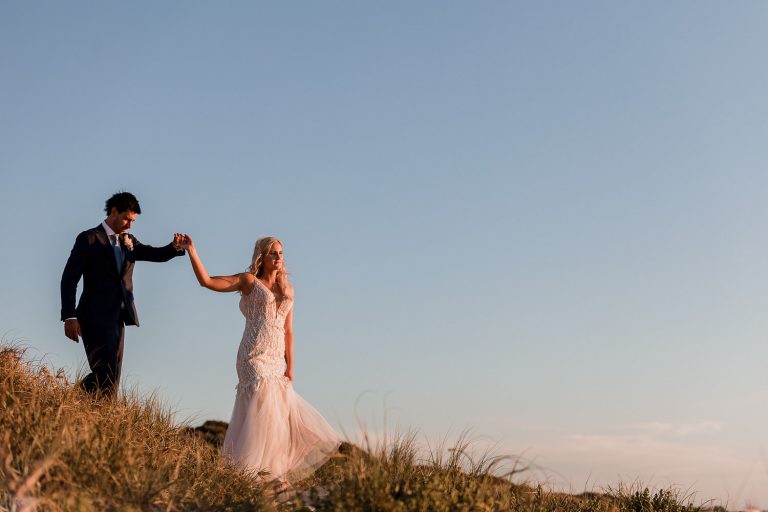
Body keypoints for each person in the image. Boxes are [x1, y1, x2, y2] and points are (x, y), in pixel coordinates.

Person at [180, 234, 340, 486]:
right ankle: (251, 475)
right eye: (273, 253)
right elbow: (207, 281)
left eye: (281, 253)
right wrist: (191, 250)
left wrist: (291, 367)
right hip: (253, 357)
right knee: (261, 412)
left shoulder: (288, 290)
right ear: (261, 257)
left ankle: (270, 476)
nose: (278, 257)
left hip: (277, 360)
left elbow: (289, 330)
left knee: (276, 419)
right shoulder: (249, 281)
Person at [60, 192, 185, 396]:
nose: (129, 225)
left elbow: (154, 254)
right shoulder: (89, 238)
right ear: (114, 211)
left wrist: (174, 248)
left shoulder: (129, 241)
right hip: (93, 315)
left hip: (119, 316)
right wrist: (69, 316)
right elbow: (69, 279)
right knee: (105, 370)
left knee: (113, 374)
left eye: (133, 221)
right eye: (127, 219)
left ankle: (102, 417)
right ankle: (71, 399)